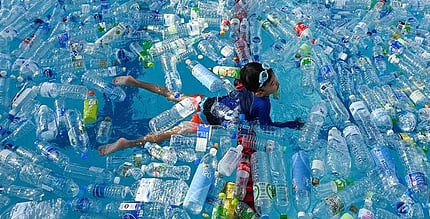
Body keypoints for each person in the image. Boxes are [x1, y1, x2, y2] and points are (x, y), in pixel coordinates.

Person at [98, 62, 303, 156]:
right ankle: (130, 143)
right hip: (202, 124)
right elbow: (267, 128)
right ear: (259, 92)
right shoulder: (263, 104)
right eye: (274, 83)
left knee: (170, 93)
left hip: (204, 102)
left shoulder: (245, 85)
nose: (277, 84)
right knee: (168, 134)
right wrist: (292, 124)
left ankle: (135, 82)